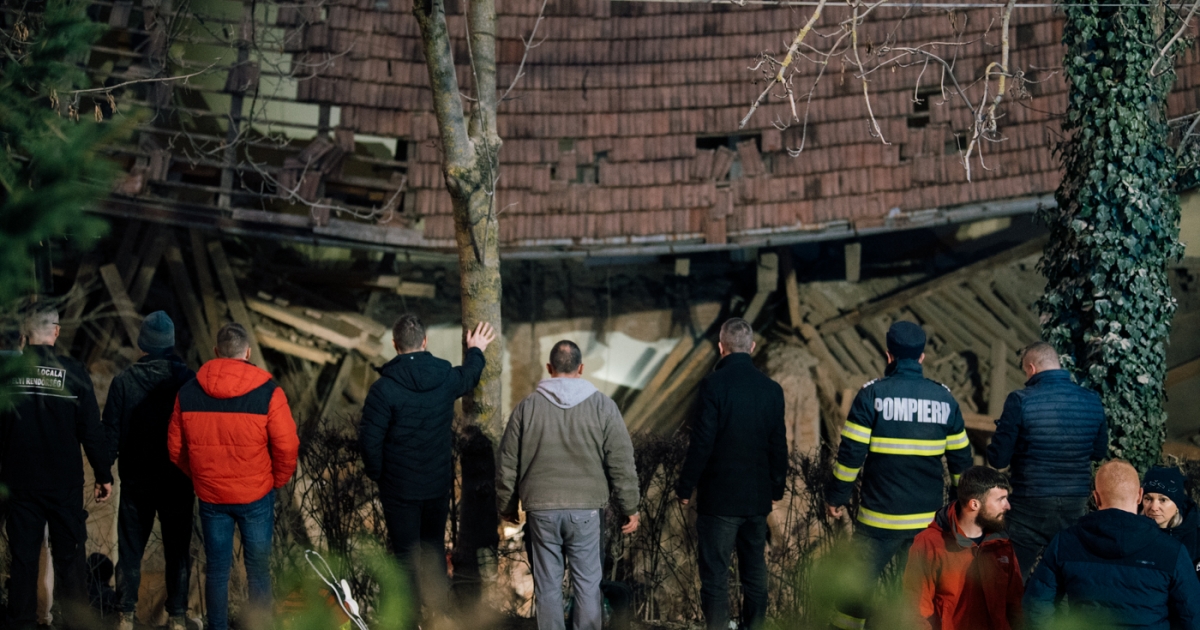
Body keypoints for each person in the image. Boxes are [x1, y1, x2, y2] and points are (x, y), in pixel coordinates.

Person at [824, 320, 973, 630]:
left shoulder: (871, 396)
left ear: (888, 354)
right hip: (926, 522)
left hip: (878, 520)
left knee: (855, 593)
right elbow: (962, 461)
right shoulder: (944, 400)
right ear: (922, 357)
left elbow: (851, 456)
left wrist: (836, 496)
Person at [358, 316, 496, 621]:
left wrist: (378, 473)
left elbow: (369, 440)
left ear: (395, 346)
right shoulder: (445, 376)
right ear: (425, 342)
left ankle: (405, 621)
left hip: (399, 489)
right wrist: (476, 349)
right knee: (433, 552)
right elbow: (470, 375)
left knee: (405, 559)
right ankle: (438, 617)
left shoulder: (384, 390)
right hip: (436, 485)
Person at [496, 339, 640, 630]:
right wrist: (630, 507)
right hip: (586, 512)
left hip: (541, 511)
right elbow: (621, 461)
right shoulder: (603, 406)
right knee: (588, 585)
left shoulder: (527, 408)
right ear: (581, 368)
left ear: (549, 368)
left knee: (548, 587)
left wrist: (507, 506)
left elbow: (508, 463)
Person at [168, 322, 299, 630]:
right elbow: (287, 444)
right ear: (248, 352)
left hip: (212, 497)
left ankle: (217, 627)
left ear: (216, 353)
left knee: (216, 570)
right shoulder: (269, 391)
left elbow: (175, 448)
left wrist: (201, 477)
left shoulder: (188, 392)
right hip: (255, 494)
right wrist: (275, 479)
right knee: (258, 569)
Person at [0, 306, 113, 630]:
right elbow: (91, 429)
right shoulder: (74, 372)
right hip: (63, 483)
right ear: (56, 332)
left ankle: (21, 622)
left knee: (23, 559)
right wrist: (103, 474)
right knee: (70, 559)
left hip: (19, 481)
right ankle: (75, 622)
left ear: (24, 334)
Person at [673, 318, 787, 630]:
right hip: (756, 501)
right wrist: (776, 490)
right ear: (751, 347)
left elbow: (702, 443)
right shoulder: (772, 390)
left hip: (719, 500)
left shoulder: (713, 385)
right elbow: (779, 446)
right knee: (755, 573)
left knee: (715, 576)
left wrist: (685, 487)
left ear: (721, 348)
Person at [1024, 460, 1200, 629]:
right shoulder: (1171, 550)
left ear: (1096, 497)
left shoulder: (1065, 543)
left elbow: (1036, 606)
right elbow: (1192, 616)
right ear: (1139, 496)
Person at [103, 312, 196, 630]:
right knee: (178, 550)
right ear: (170, 344)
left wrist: (104, 474)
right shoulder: (188, 381)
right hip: (178, 479)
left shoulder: (124, 381)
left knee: (130, 549)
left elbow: (110, 434)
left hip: (136, 480)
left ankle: (125, 615)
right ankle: (179, 617)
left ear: (143, 343)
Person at [986, 341, 1107, 580]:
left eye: (1024, 371)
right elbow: (1098, 452)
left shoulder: (1020, 400)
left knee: (1010, 579)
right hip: (1075, 502)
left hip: (1029, 504)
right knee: (1070, 576)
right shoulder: (1092, 400)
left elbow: (998, 459)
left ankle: (1010, 616)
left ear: (1031, 367)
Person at [904, 466, 1023, 630]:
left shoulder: (1001, 544)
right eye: (1000, 499)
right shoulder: (929, 544)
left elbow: (1015, 606)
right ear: (974, 504)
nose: (1008, 506)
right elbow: (916, 612)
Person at [1141, 466, 1200, 578]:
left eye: (1163, 500)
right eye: (1148, 499)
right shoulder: (1132, 531)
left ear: (1177, 505)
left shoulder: (1195, 539)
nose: (1154, 507)